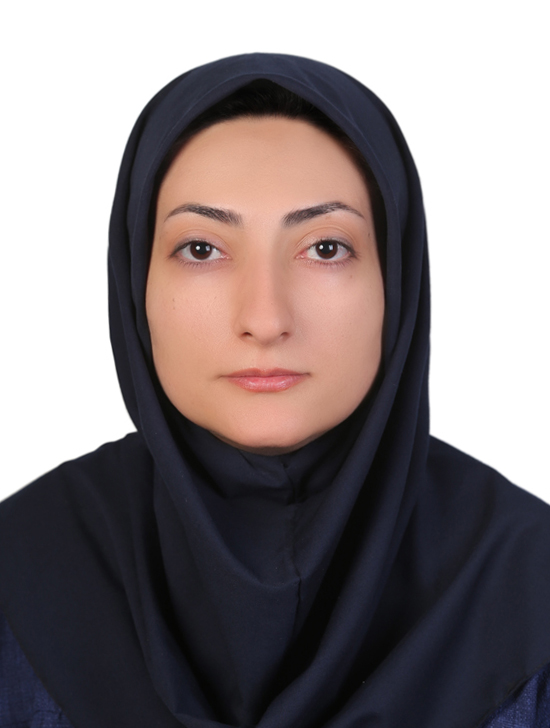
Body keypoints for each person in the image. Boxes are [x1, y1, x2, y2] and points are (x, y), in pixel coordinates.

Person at [1, 53, 549, 728]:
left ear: (396, 281)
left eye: (326, 248)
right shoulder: (21, 567)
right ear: (135, 282)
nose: (265, 319)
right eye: (201, 249)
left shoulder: (529, 579)